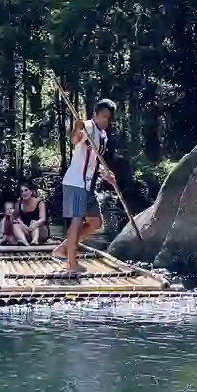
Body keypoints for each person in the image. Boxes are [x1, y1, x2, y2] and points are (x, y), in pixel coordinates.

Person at [54, 98, 116, 273]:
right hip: (75, 182)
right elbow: (75, 139)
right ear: (95, 114)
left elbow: (97, 161)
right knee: (76, 221)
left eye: (108, 118)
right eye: (103, 116)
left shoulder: (103, 135)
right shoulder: (88, 126)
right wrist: (77, 127)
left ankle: (63, 248)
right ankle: (71, 263)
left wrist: (107, 174)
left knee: (95, 222)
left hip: (88, 185)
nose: (105, 120)